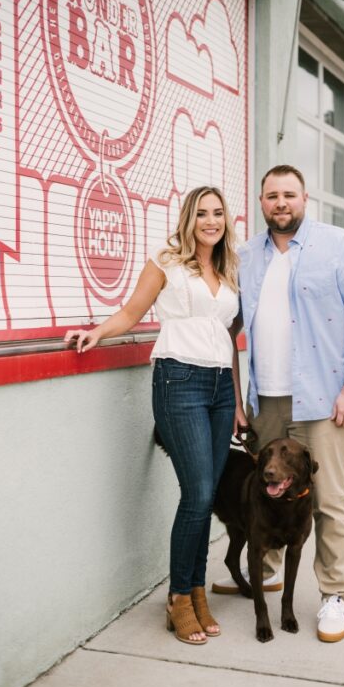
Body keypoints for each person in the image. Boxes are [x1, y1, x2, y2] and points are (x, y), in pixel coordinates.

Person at [64, 186, 243, 644]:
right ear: (188, 217)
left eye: (218, 213)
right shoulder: (165, 260)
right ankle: (179, 597)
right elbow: (131, 311)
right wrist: (97, 332)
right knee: (199, 493)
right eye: (202, 213)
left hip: (221, 387)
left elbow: (229, 336)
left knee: (209, 494)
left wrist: (238, 399)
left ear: (226, 219)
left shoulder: (228, 266)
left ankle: (198, 591)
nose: (210, 221)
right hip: (178, 380)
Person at [216, 164, 344, 643]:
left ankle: (335, 593)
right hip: (266, 399)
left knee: (327, 499)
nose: (280, 203)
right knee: (263, 493)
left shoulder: (338, 245)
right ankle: (266, 567)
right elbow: (227, 331)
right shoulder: (246, 254)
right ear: (261, 202)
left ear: (305, 199)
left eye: (289, 194)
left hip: (323, 399)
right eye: (271, 195)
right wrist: (235, 399)